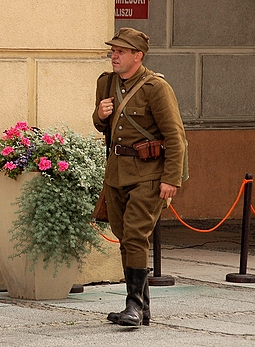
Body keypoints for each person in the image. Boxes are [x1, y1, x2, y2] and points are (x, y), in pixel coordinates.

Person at [92, 27, 186, 327]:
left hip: (149, 174)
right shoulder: (105, 83)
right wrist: (100, 116)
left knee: (135, 235)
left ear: (138, 56)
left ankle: (133, 305)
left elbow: (175, 136)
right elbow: (103, 128)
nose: (114, 55)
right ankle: (142, 308)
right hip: (117, 172)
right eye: (113, 50)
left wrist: (171, 179)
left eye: (120, 51)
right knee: (124, 237)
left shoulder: (156, 88)